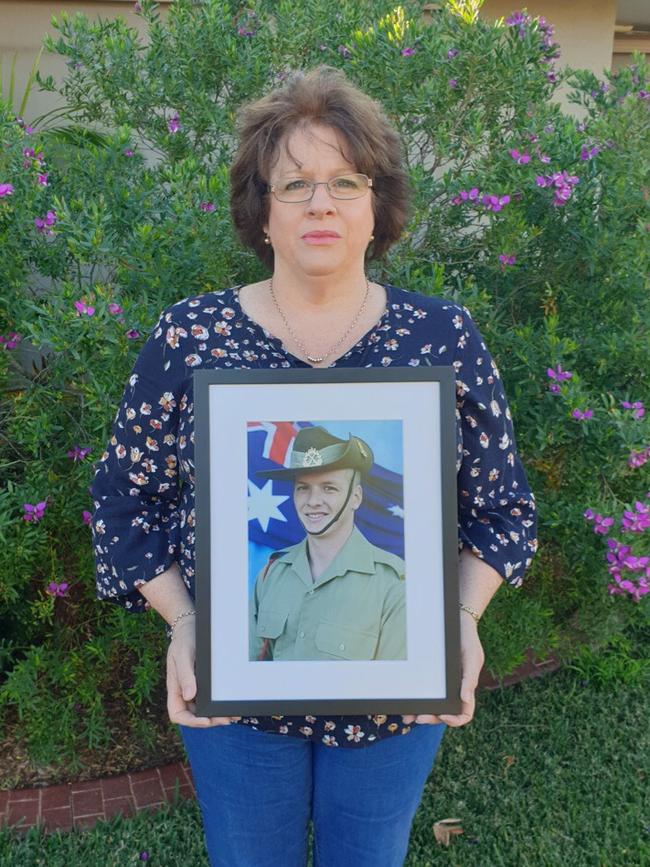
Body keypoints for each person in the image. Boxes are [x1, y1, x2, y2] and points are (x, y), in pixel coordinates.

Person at [91, 65, 538, 867]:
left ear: (378, 210)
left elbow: (502, 510)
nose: (321, 202)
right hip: (235, 703)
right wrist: (190, 623)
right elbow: (123, 503)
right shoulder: (192, 336)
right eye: (294, 183)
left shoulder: (443, 339)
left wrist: (462, 621)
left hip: (395, 703)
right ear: (262, 213)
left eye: (345, 181)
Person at [250, 425, 407, 662]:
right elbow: (248, 677)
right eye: (303, 488)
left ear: (356, 497)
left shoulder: (393, 583)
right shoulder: (271, 575)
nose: (313, 501)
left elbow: (396, 689)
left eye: (329, 488)